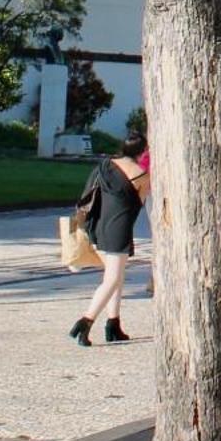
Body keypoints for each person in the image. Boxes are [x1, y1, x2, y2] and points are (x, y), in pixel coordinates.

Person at [70, 131, 149, 346]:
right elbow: (140, 201)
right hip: (118, 230)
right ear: (142, 151)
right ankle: (86, 322)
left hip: (97, 225)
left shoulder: (104, 165)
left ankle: (113, 324)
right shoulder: (141, 175)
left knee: (116, 276)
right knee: (113, 278)